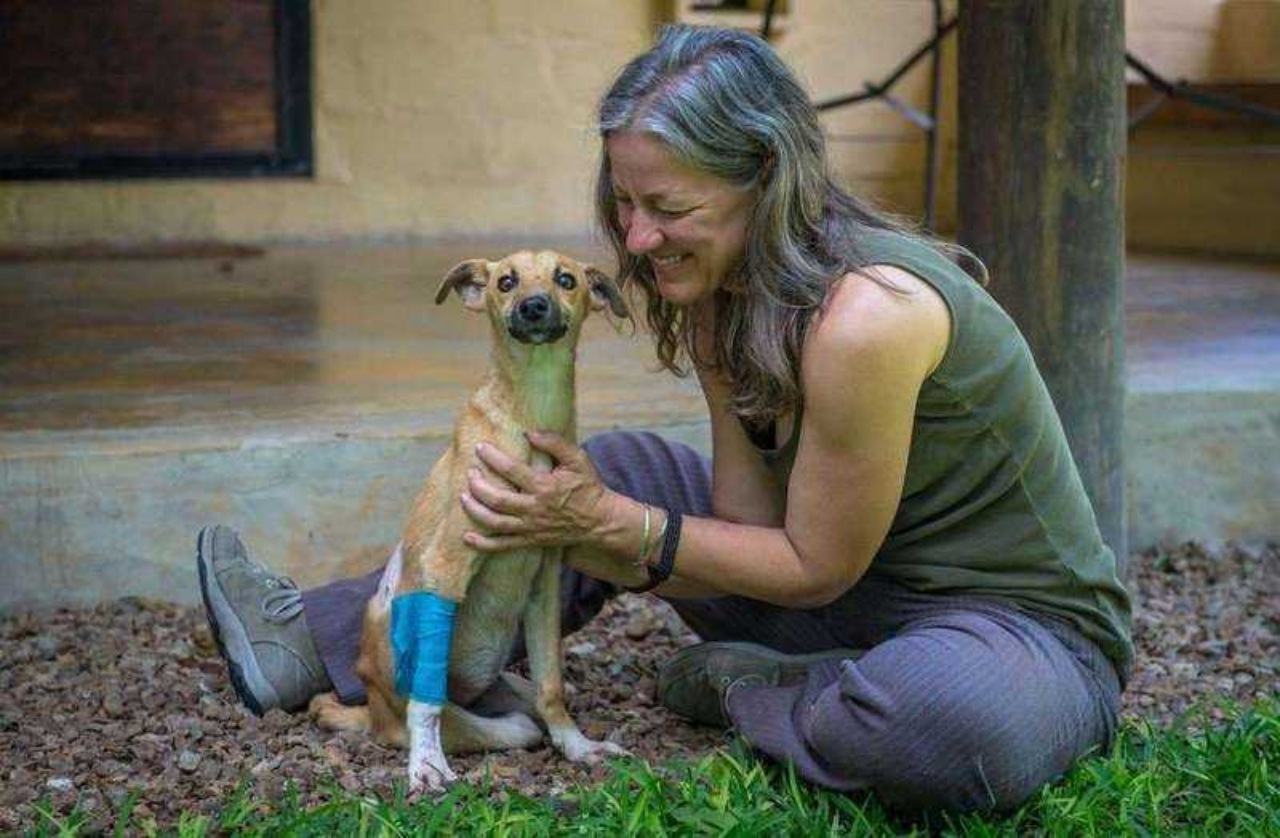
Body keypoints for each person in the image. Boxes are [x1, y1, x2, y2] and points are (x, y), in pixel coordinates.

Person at [197, 24, 1131, 814]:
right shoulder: (727, 285)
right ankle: (313, 642)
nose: (637, 239)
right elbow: (750, 526)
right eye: (625, 204)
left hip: (1004, 628)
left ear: (764, 175)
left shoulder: (870, 315)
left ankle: (755, 684)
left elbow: (810, 565)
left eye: (667, 207)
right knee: (590, 470)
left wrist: (614, 527)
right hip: (841, 594)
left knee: (947, 726)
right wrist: (613, 492)